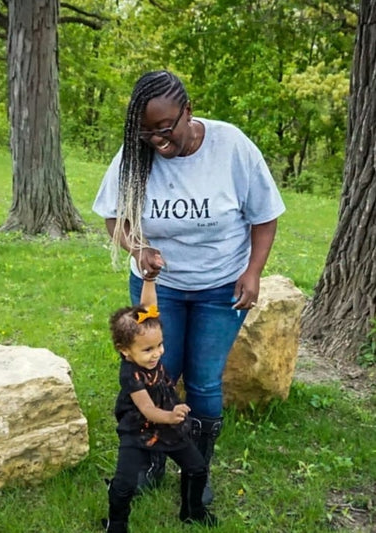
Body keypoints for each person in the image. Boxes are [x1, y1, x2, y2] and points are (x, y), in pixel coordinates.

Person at [93, 70, 286, 502]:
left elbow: (265, 215)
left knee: (202, 382)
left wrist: (253, 271)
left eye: (165, 129)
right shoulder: (136, 153)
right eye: (147, 133)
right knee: (156, 373)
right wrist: (138, 247)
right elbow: (113, 216)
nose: (157, 141)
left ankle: (196, 474)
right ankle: (153, 459)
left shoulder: (231, 146)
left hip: (221, 287)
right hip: (156, 288)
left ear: (188, 112)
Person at [103, 276, 218, 533]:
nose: (157, 353)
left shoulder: (148, 346)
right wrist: (173, 414)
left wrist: (149, 278)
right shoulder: (131, 374)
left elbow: (148, 307)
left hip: (167, 426)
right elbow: (148, 410)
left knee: (197, 468)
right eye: (148, 350)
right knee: (124, 483)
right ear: (125, 351)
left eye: (160, 345)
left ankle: (193, 511)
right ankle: (117, 525)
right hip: (139, 429)